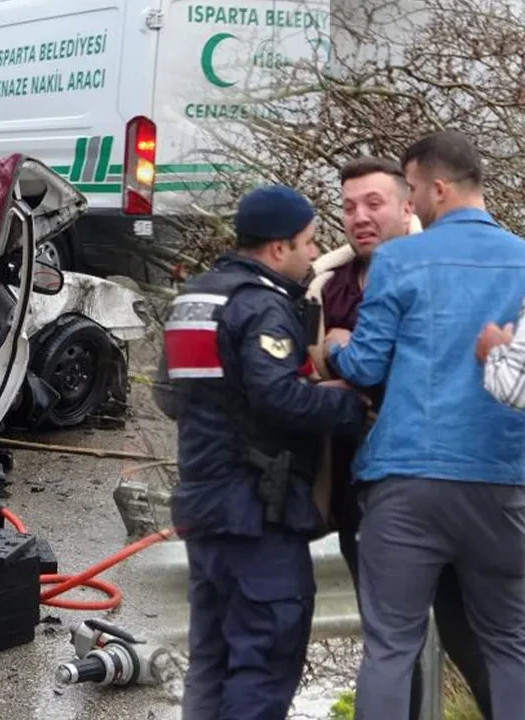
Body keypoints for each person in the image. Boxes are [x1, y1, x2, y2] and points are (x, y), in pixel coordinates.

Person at [325, 131, 525, 718]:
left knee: (390, 648)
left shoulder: (400, 258)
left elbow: (366, 363)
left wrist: (334, 348)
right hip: (500, 479)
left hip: (405, 478)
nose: (411, 205)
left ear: (437, 187)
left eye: (410, 190)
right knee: (511, 645)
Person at [160, 185, 366, 720]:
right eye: (308, 242)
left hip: (203, 509)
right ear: (278, 249)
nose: (313, 254)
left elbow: (167, 394)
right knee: (264, 662)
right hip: (258, 514)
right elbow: (277, 397)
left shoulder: (195, 298)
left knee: (210, 661)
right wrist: (350, 407)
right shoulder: (264, 306)